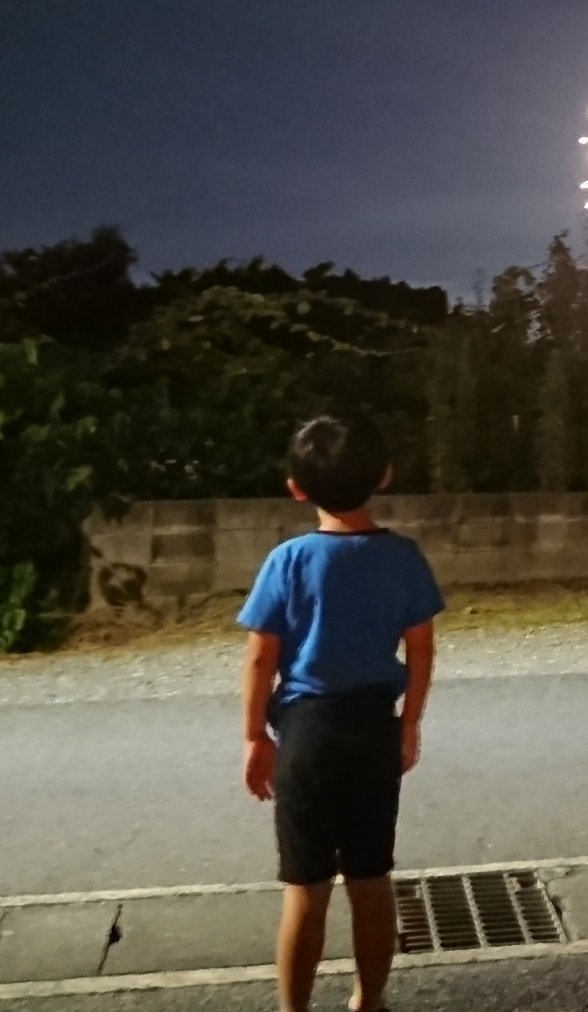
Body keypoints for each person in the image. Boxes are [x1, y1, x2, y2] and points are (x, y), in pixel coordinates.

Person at [237, 413, 444, 1012]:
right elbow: (421, 645)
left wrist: (255, 737)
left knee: (305, 887)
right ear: (384, 475)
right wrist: (409, 725)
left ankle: (294, 1008)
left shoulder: (289, 560)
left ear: (296, 488)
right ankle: (368, 1000)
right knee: (371, 879)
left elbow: (260, 659)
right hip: (374, 725)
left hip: (307, 732)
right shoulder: (402, 556)